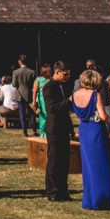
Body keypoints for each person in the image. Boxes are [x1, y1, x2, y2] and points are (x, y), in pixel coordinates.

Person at [71, 69, 110, 211]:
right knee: (103, 163)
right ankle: (107, 197)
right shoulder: (95, 94)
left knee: (88, 164)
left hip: (83, 128)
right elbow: (103, 116)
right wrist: (108, 118)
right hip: (96, 128)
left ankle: (91, 198)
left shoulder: (74, 95)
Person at [42, 61, 73, 202]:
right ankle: (52, 191)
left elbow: (65, 111)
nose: (67, 77)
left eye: (69, 75)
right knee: (54, 160)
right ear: (57, 72)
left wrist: (71, 128)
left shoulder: (64, 86)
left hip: (64, 127)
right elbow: (52, 108)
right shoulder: (48, 87)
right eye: (65, 74)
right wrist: (69, 101)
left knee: (64, 160)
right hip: (54, 128)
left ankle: (63, 190)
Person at [32, 63, 52, 137]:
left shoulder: (51, 79)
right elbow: (34, 91)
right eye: (49, 71)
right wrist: (34, 102)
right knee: (43, 116)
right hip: (42, 100)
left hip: (50, 99)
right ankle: (43, 132)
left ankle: (49, 131)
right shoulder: (38, 80)